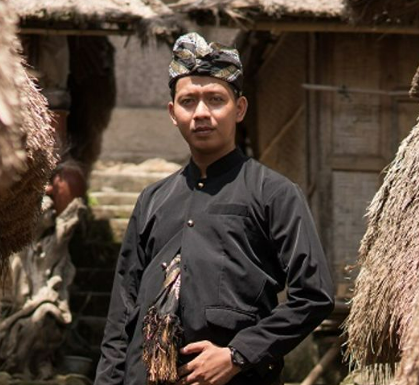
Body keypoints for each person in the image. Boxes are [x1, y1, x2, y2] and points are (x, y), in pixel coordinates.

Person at [95, 33, 334, 385]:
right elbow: (121, 313)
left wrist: (238, 355)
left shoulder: (274, 193)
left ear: (239, 109)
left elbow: (313, 295)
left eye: (215, 100)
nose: (201, 113)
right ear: (172, 113)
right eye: (188, 101)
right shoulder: (153, 200)